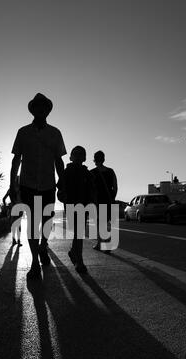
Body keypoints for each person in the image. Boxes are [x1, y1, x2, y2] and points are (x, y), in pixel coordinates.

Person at [10, 93, 66, 279]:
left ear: (47, 111)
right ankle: (35, 262)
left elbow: (59, 161)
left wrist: (62, 183)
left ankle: (43, 246)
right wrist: (12, 185)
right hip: (28, 185)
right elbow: (16, 160)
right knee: (33, 225)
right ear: (33, 110)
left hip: (49, 185)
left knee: (48, 221)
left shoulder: (55, 133)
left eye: (44, 108)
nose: (41, 110)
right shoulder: (23, 132)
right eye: (38, 107)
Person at [62, 146, 96, 274]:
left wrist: (92, 202)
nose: (77, 156)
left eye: (80, 154)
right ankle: (75, 255)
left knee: (79, 232)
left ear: (84, 158)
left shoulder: (87, 173)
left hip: (83, 206)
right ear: (71, 157)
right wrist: (63, 197)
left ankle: (78, 259)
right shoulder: (66, 172)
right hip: (71, 205)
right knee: (77, 232)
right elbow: (60, 188)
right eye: (75, 154)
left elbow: (92, 190)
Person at [90, 150, 117, 251]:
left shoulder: (92, 173)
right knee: (107, 223)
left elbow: (90, 189)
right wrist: (112, 198)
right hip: (109, 200)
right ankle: (108, 243)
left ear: (94, 160)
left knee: (99, 223)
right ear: (104, 159)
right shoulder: (110, 171)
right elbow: (115, 186)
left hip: (97, 200)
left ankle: (100, 243)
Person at [3, 178, 23, 247]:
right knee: (18, 226)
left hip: (14, 208)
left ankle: (15, 240)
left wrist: (6, 206)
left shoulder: (10, 190)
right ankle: (18, 240)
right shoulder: (19, 190)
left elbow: (4, 199)